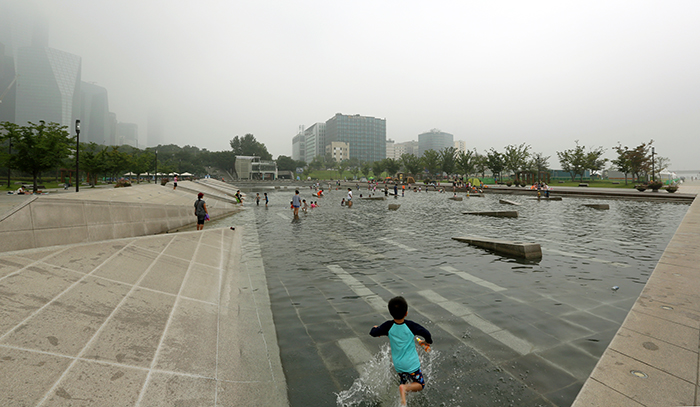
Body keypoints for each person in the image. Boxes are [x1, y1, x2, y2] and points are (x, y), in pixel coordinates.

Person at [370, 296, 433, 407]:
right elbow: (426, 333)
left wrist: (375, 328)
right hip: (411, 364)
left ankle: (403, 399)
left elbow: (373, 333)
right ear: (406, 313)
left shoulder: (388, 326)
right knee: (420, 384)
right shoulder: (411, 326)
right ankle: (404, 388)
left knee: (404, 379)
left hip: (398, 365)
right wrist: (427, 341)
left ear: (391, 313)